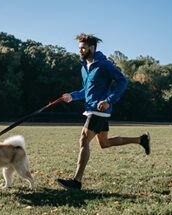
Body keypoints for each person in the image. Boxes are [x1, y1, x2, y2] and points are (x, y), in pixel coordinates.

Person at [56, 33, 151, 190]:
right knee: (104, 143)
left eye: (83, 48)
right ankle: (141, 140)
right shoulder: (84, 68)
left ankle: (76, 181)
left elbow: (123, 80)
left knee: (84, 140)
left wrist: (109, 100)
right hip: (91, 108)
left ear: (92, 48)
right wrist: (71, 96)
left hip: (98, 110)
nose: (80, 51)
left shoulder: (104, 64)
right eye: (79, 48)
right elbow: (86, 91)